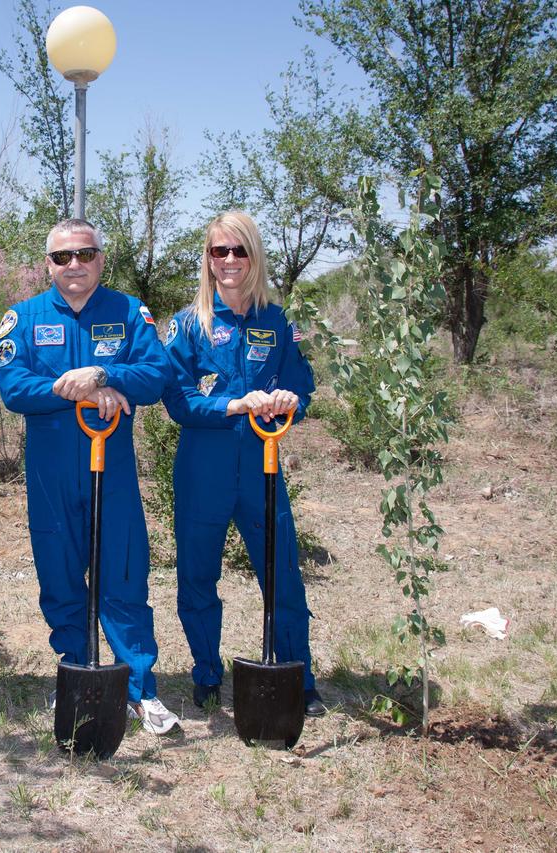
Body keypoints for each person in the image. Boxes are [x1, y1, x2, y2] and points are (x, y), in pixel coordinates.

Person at [0, 218, 180, 735]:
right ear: (47, 263)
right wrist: (73, 388)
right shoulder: (23, 317)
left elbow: (156, 374)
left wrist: (105, 374)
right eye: (62, 257)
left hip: (112, 469)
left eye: (85, 254)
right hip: (51, 472)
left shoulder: (127, 312)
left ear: (101, 258)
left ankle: (140, 688)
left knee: (122, 573)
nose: (74, 265)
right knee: (60, 576)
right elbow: (13, 386)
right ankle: (75, 670)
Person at [160, 210, 325, 717]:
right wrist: (232, 405)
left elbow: (304, 388)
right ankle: (208, 672)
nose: (229, 261)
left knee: (282, 577)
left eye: (239, 250)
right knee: (197, 577)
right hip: (202, 469)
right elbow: (178, 401)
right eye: (218, 251)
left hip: (261, 469)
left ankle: (299, 675)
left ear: (254, 257)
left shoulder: (278, 323)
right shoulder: (188, 326)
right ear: (207, 260)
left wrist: (288, 402)